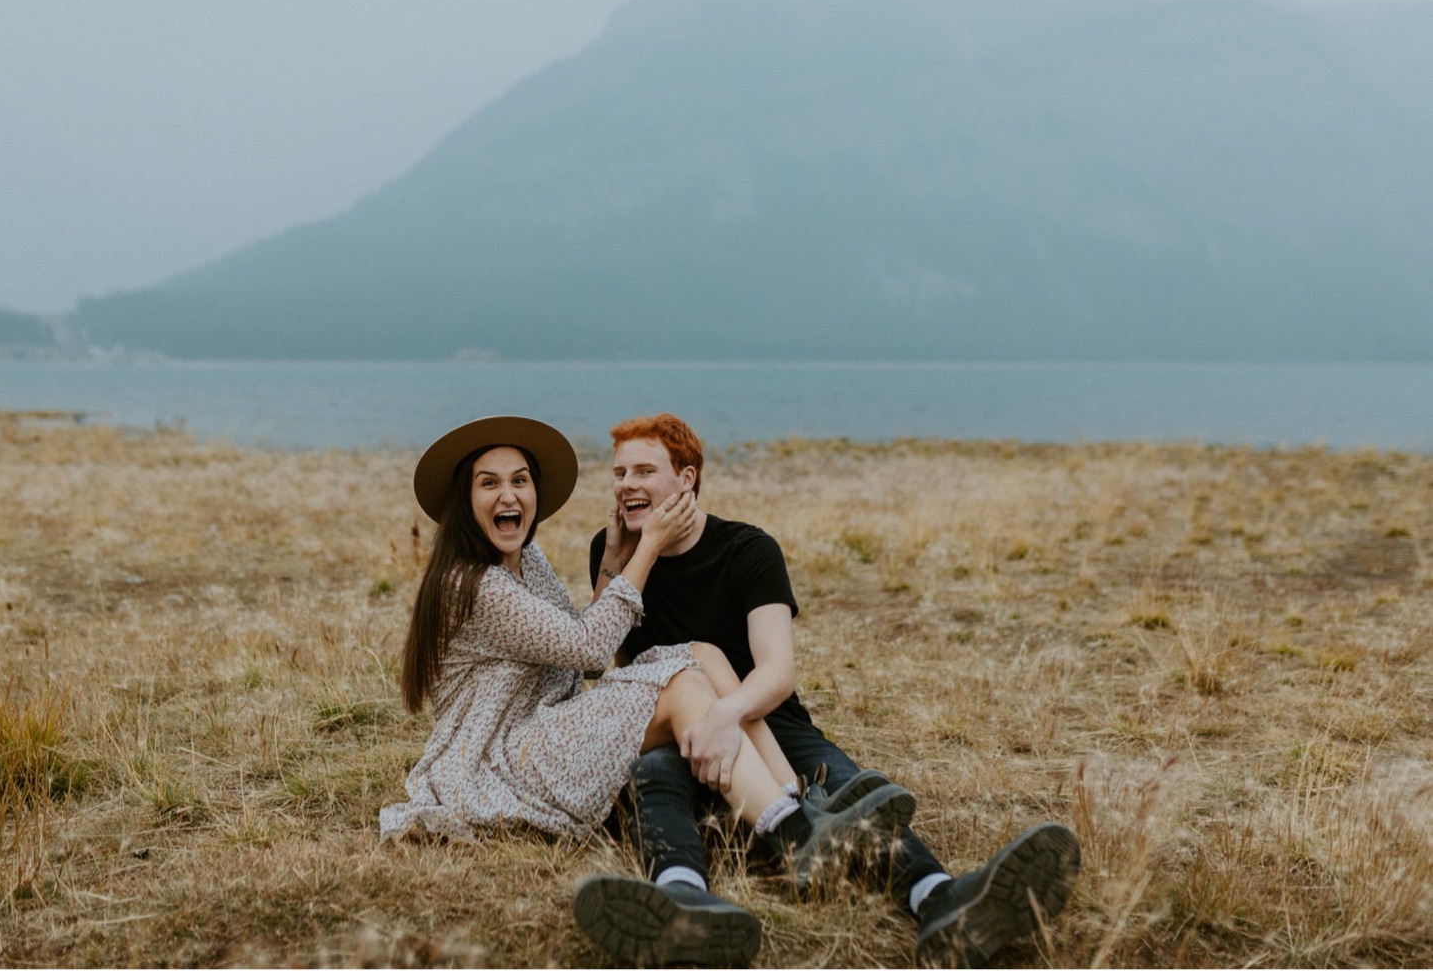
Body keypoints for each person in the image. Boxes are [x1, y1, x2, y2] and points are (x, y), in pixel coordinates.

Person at [378, 416, 917, 967]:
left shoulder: (527, 561)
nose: (508, 494)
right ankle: (794, 832)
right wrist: (647, 549)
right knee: (683, 683)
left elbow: (578, 651)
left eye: (519, 480)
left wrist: (614, 557)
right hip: (500, 756)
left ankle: (797, 808)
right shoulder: (473, 584)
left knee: (703, 655)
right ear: (463, 500)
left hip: (545, 727)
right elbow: (592, 651)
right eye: (488, 483)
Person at [577, 413, 1082, 967]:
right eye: (620, 472)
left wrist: (728, 714)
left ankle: (940, 899)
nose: (626, 484)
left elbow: (776, 671)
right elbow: (607, 665)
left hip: (766, 720)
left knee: (848, 790)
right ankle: (682, 900)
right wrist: (617, 561)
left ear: (687, 478)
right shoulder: (616, 548)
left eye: (644, 471)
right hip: (675, 727)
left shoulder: (747, 550)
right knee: (652, 774)